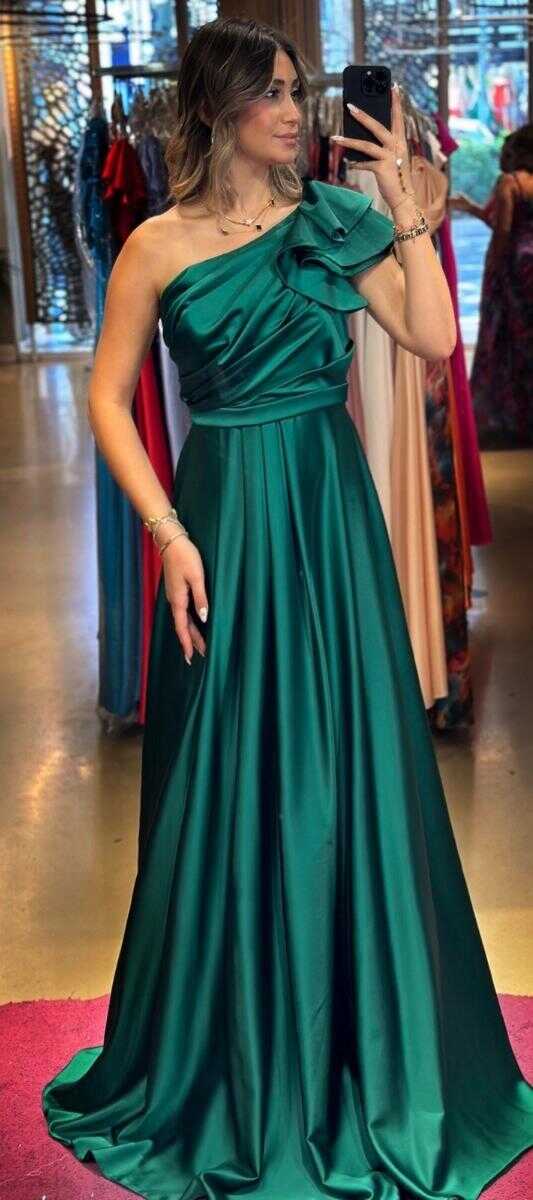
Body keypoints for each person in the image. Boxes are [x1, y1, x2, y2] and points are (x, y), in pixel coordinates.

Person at [42, 18, 533, 1200]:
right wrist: (167, 532)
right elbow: (108, 397)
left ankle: (365, 1044)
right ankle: (226, 1049)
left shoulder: (329, 220)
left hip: (324, 516)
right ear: (216, 107)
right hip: (219, 517)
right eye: (270, 93)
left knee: (347, 763)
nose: (293, 111)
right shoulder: (156, 244)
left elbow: (429, 336)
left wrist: (405, 211)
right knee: (222, 770)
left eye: (296, 90)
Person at [450, 123, 533, 447]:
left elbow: (503, 230)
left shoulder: (509, 182)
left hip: (516, 265)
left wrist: (492, 266)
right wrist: (471, 207)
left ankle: (508, 421)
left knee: (506, 338)